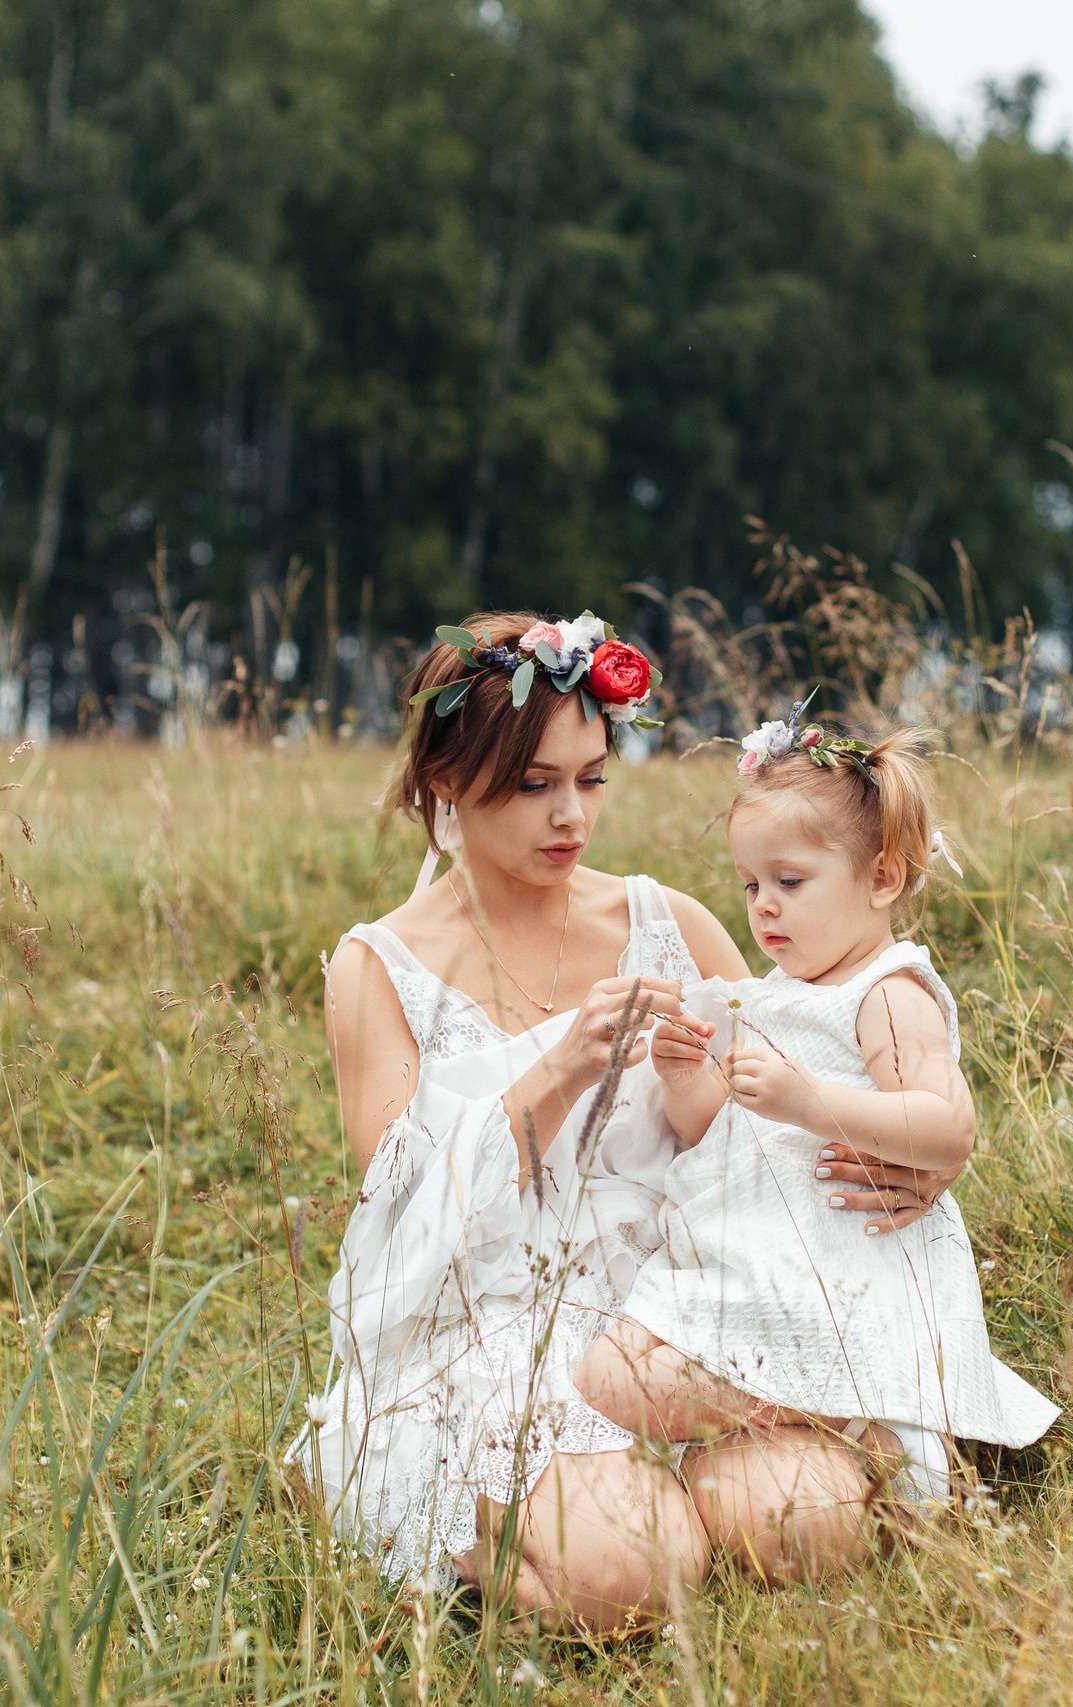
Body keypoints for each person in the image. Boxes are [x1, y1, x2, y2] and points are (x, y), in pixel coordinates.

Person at [299, 614, 963, 1633]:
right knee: (635, 1572)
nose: (571, 816)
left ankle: (653, 1507)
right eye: (533, 786)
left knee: (808, 1522)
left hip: (676, 1321)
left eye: (591, 778)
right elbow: (396, 1220)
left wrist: (902, 1161)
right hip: (489, 1332)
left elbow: (777, 1107)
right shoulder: (376, 969)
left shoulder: (670, 923)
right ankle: (435, 1524)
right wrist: (564, 1068)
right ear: (442, 783)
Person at [576, 718, 1059, 1585]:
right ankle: (826, 1414)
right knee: (608, 1373)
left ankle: (851, 1410)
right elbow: (718, 1135)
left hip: (843, 1259)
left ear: (881, 879)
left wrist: (810, 1101)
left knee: (616, 1375)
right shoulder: (776, 993)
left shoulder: (890, 992)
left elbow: (945, 1125)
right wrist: (689, 1078)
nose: (762, 905)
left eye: (790, 881)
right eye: (752, 882)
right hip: (760, 1261)